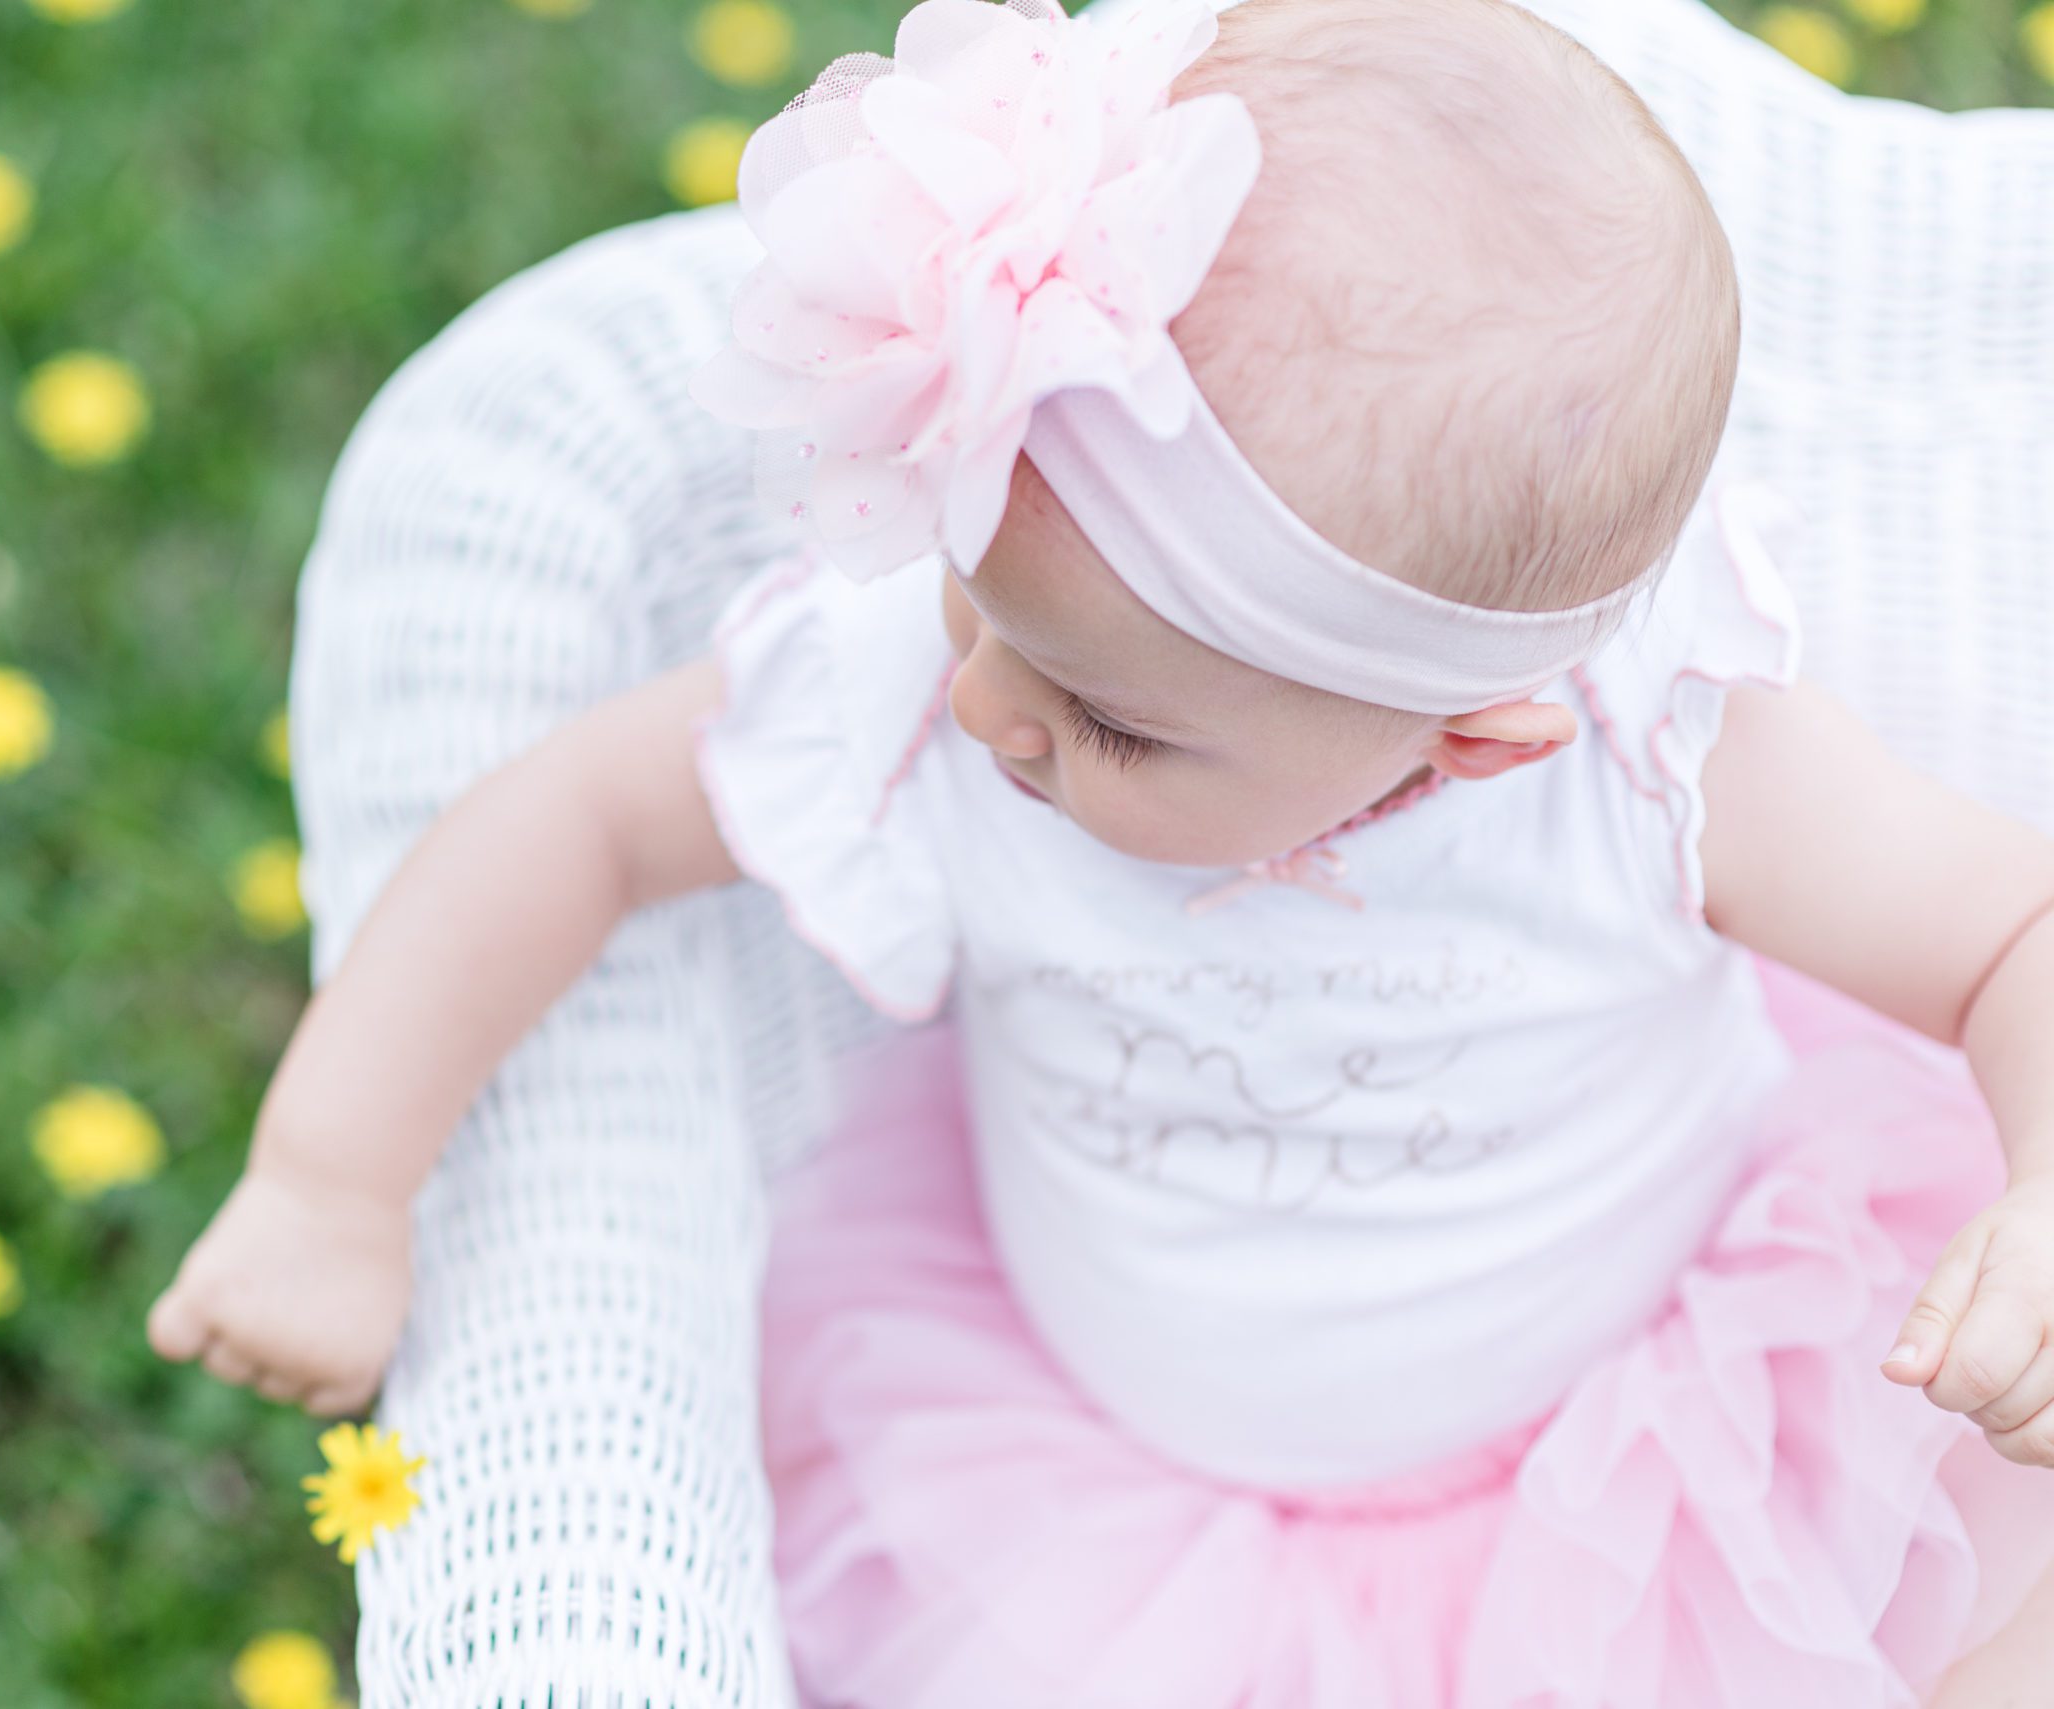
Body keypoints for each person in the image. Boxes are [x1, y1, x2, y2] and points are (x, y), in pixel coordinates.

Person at [147, 0, 2054, 1699]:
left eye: (1112, 722)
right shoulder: (918, 686)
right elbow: (573, 818)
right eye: (983, 613)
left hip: (1653, 1454)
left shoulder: (1660, 755)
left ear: (1470, 738)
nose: (990, 711)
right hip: (1103, 1511)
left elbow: (2009, 934)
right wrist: (334, 1175)